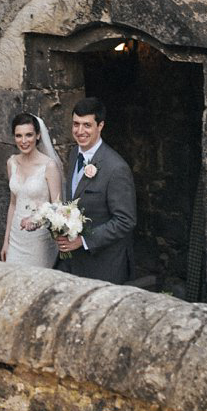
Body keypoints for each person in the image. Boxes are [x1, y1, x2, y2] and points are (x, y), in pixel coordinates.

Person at [54, 97, 136, 284]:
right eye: (76, 124)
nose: (80, 131)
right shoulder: (74, 153)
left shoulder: (116, 168)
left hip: (105, 265)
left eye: (87, 125)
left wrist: (82, 241)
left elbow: (125, 221)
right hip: (75, 263)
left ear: (100, 126)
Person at [1, 112, 63, 267]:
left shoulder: (49, 166)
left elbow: (57, 207)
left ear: (38, 135)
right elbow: (13, 203)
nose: (23, 141)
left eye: (28, 135)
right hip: (16, 238)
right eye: (18, 136)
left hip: (39, 240)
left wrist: (36, 221)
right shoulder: (11, 163)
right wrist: (6, 240)